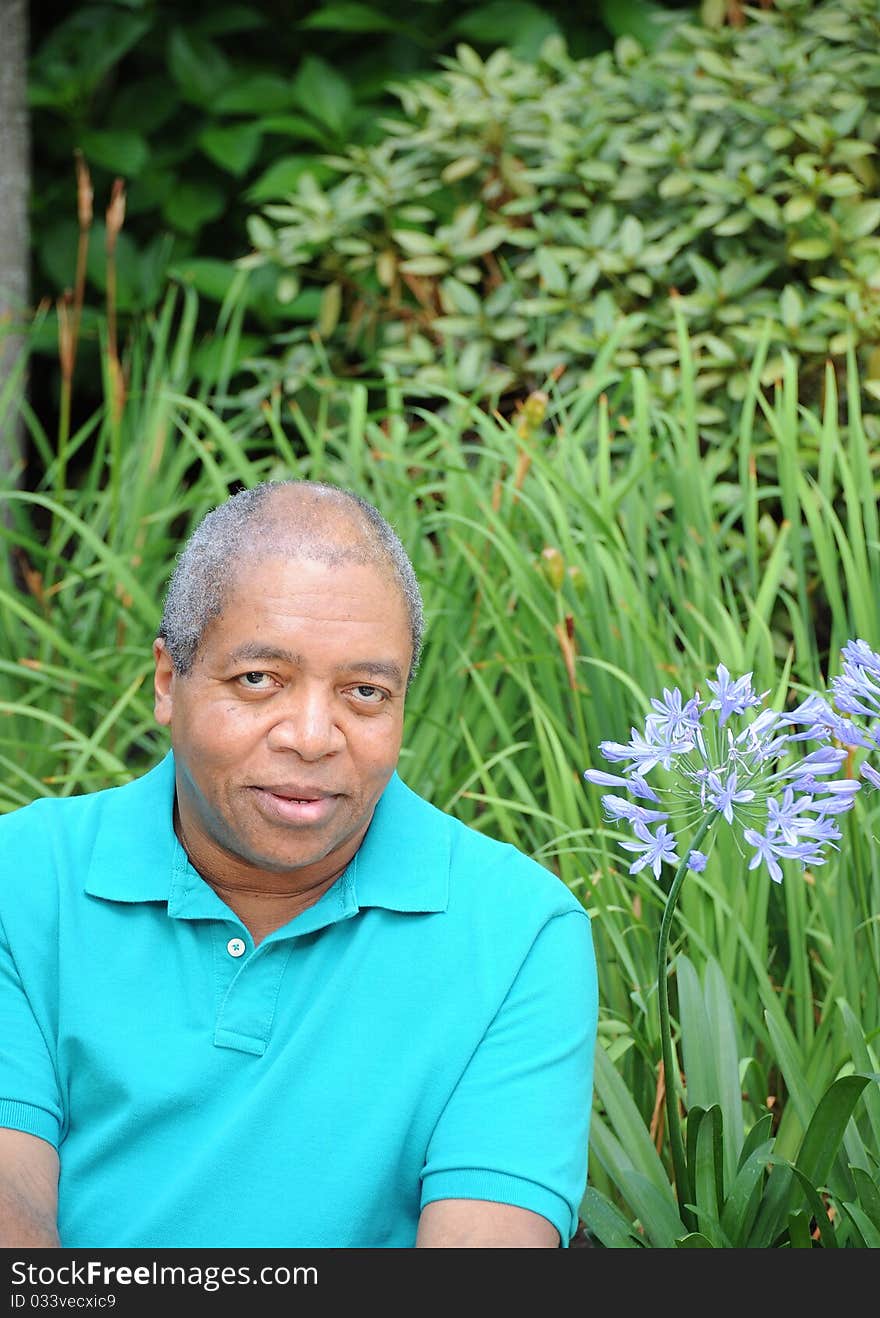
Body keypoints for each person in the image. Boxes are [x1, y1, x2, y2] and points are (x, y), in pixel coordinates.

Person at [0, 479, 598, 1249]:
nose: (313, 736)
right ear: (166, 681)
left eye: (365, 691)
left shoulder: (520, 932)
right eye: (259, 680)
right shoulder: (22, 879)